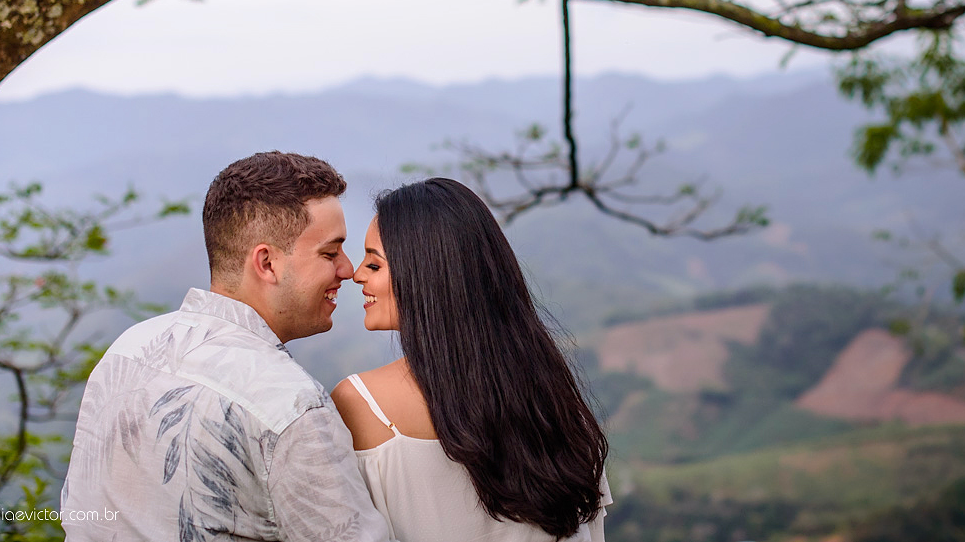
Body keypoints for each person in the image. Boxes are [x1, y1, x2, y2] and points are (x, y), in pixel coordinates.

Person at [61, 152, 392, 542]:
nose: (347, 269)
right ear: (267, 263)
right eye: (329, 252)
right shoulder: (290, 407)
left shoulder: (128, 350)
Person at [331, 177, 611, 542]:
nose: (356, 274)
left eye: (374, 264)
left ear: (425, 274)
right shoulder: (559, 408)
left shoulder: (362, 405)